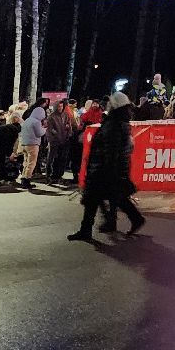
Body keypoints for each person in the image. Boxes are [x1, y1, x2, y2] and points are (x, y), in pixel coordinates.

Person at [69, 92, 144, 241]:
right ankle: (127, 220)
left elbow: (110, 149)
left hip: (103, 169)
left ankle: (88, 230)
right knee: (112, 197)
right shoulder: (119, 122)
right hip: (108, 168)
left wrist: (105, 169)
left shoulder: (114, 123)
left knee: (94, 199)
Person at [44, 100, 76, 185]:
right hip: (54, 141)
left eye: (61, 106)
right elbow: (49, 130)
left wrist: (68, 133)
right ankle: (49, 176)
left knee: (62, 159)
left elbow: (69, 126)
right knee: (51, 159)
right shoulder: (51, 117)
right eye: (58, 106)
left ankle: (58, 175)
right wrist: (52, 139)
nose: (60, 108)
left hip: (64, 141)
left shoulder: (65, 115)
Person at [18, 99, 48, 187]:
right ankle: (27, 180)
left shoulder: (27, 120)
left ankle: (23, 177)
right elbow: (39, 133)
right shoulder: (36, 122)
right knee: (31, 163)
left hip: (25, 143)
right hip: (33, 144)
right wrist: (45, 128)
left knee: (26, 162)